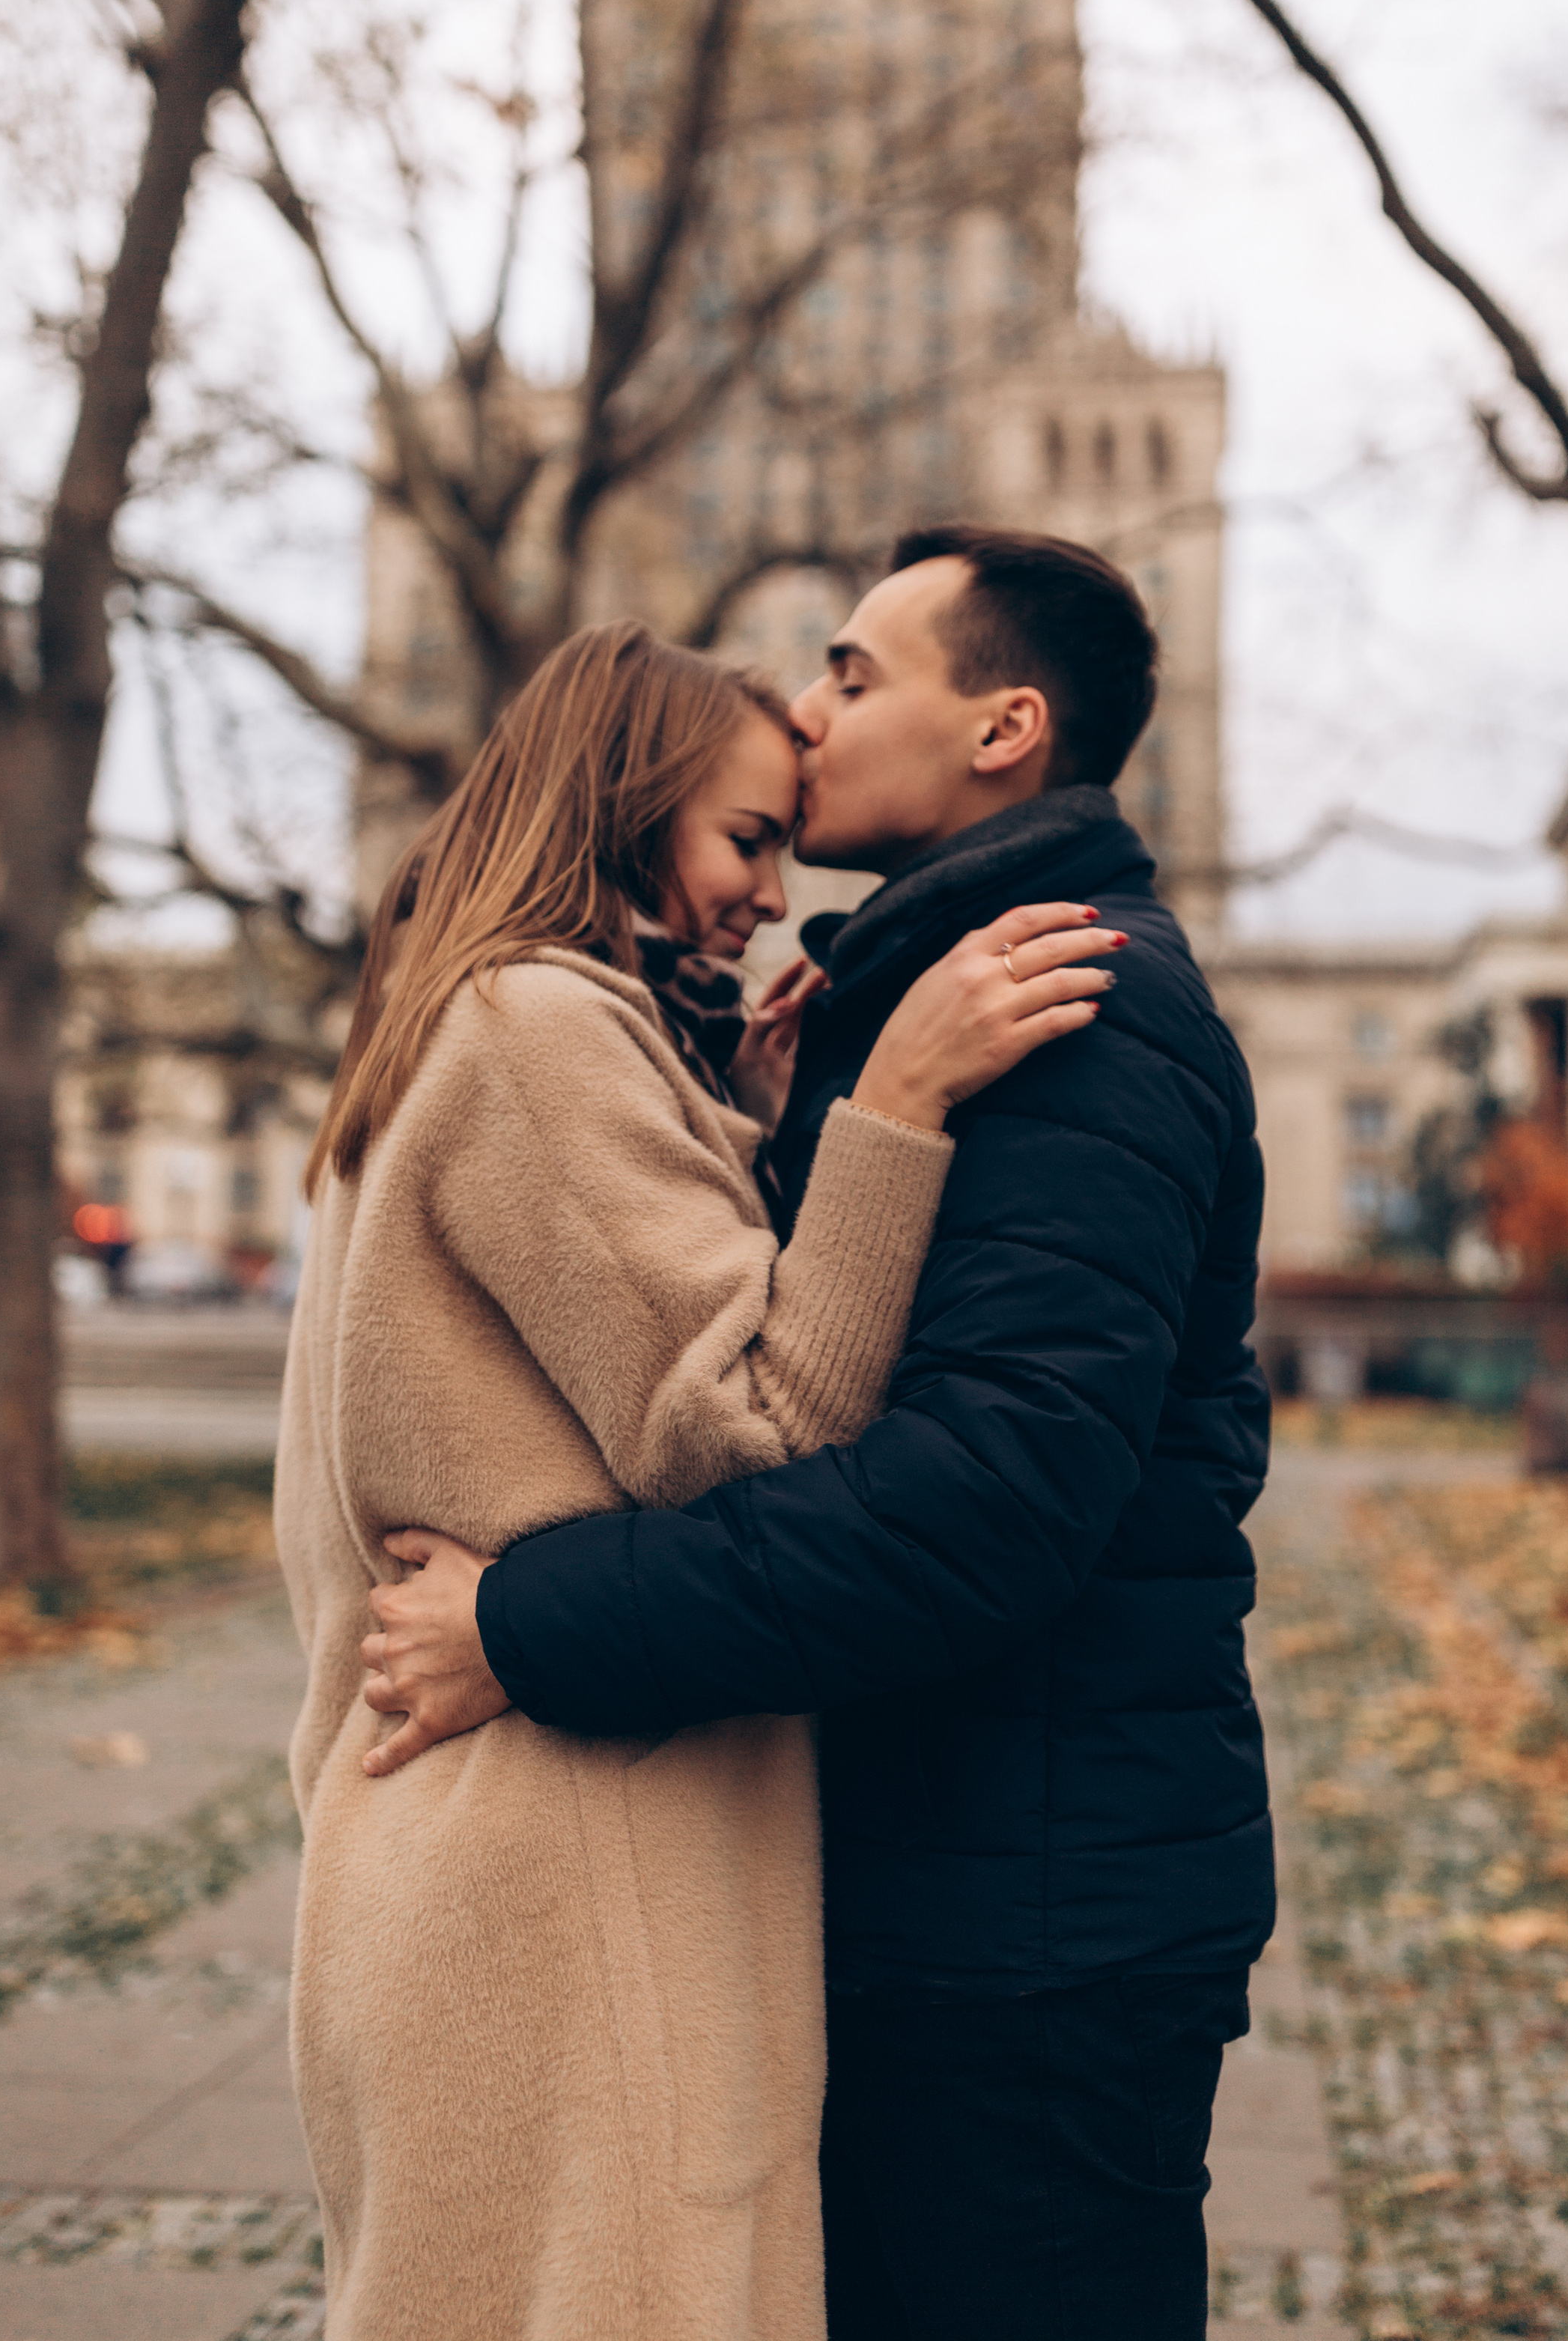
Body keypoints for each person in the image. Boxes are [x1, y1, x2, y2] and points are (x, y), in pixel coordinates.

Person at [363, 528, 1277, 2341]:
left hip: (1026, 1935)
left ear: (1002, 728)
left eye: (853, 673)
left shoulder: (1069, 1012)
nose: (802, 707)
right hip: (949, 1884)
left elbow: (977, 1506)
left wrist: (522, 1624)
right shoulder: (914, 1005)